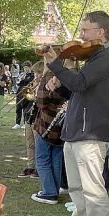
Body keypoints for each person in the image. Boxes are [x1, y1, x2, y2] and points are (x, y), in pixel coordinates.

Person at [43, 11, 109, 216]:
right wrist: (60, 83)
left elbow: (80, 83)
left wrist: (55, 65)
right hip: (76, 129)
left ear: (101, 32)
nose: (81, 35)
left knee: (92, 187)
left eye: (86, 30)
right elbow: (79, 91)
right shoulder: (94, 57)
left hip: (91, 131)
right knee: (76, 187)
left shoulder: (108, 56)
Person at [31, 72, 70, 204]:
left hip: (47, 125)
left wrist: (39, 90)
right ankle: (55, 189)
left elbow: (41, 102)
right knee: (56, 158)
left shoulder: (50, 75)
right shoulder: (71, 74)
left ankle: (49, 192)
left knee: (42, 159)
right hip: (62, 126)